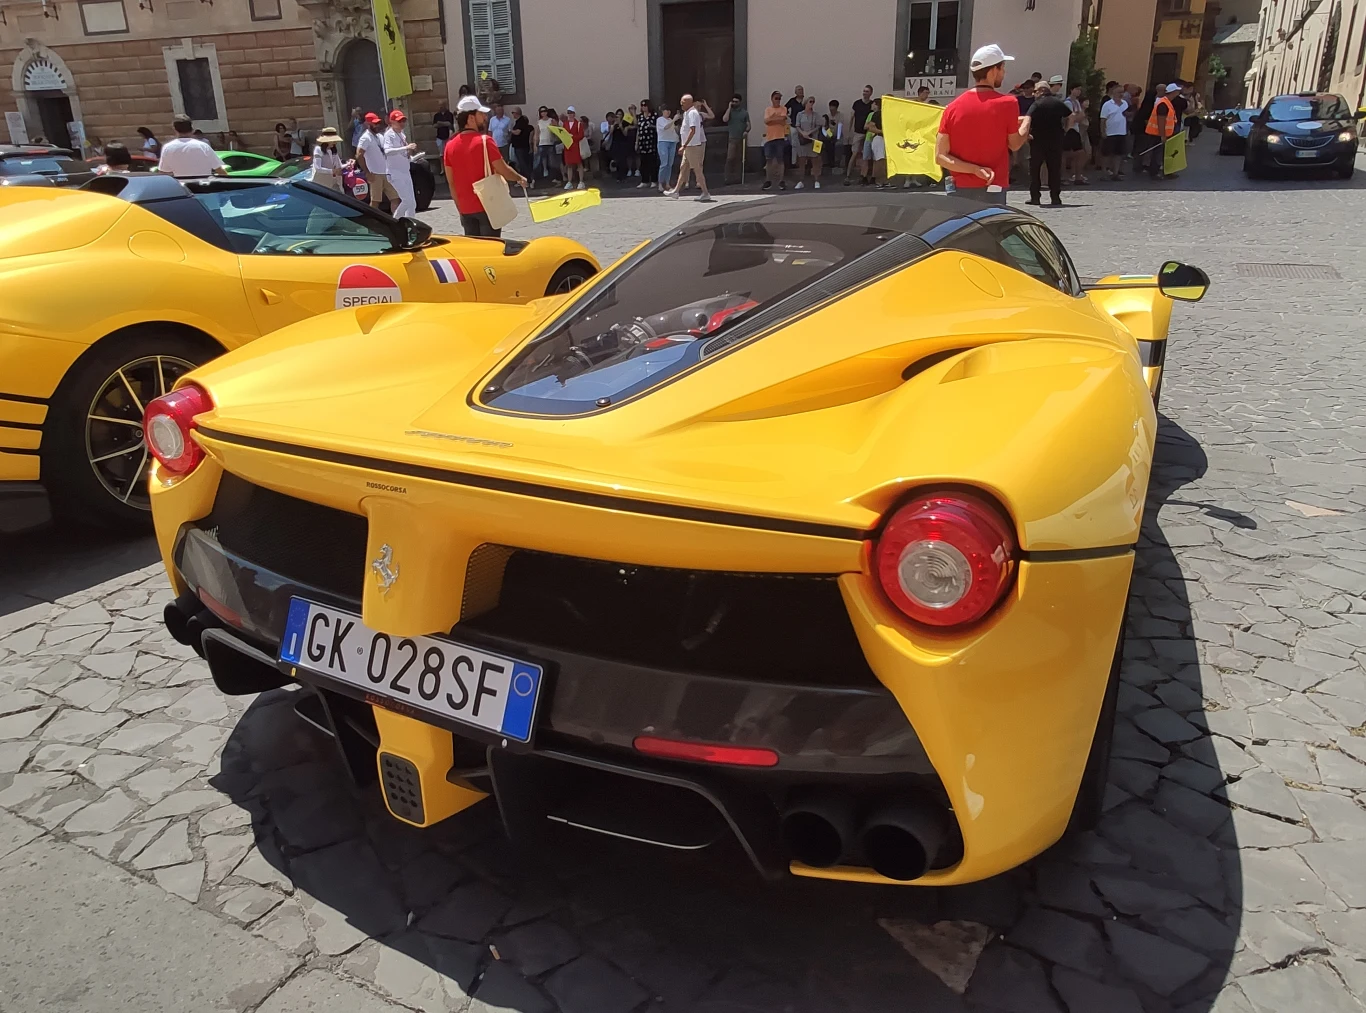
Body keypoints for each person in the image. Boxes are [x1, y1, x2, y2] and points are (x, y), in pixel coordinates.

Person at [936, 44, 1031, 195]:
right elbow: (1015, 145)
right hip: (992, 187)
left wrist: (974, 170)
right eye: (1002, 68)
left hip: (958, 190)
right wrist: (1026, 121)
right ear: (994, 70)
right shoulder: (1008, 103)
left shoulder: (952, 108)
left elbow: (940, 157)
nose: (1004, 72)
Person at [442, 94, 528, 237]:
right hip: (487, 205)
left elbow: (451, 182)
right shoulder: (485, 141)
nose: (485, 117)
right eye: (481, 114)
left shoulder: (449, 146)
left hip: (465, 209)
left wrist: (460, 208)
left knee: (476, 254)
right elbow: (503, 170)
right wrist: (519, 178)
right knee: (492, 251)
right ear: (470, 118)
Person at [1025, 81, 1070, 206]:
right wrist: (1066, 129)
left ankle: (1035, 197)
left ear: (1041, 91)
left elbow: (1028, 119)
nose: (1034, 94)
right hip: (1056, 140)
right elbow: (1071, 116)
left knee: (1035, 169)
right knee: (1054, 169)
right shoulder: (1058, 103)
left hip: (1038, 140)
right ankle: (1055, 197)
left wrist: (1026, 134)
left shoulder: (1037, 104)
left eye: (1035, 91)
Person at [665, 93, 713, 201]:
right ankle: (676, 191)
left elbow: (693, 130)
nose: (681, 104)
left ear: (689, 103)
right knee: (683, 168)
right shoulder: (687, 113)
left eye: (683, 102)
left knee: (697, 170)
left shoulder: (693, 113)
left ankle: (705, 193)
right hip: (688, 146)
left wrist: (684, 145)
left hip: (692, 146)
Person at [158, 116, 227, 178]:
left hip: (183, 189)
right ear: (192, 129)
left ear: (175, 129)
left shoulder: (167, 148)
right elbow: (220, 170)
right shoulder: (203, 146)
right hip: (204, 188)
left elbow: (163, 172)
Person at [381, 109, 420, 218]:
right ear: (392, 122)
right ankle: (395, 222)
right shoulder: (389, 135)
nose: (402, 123)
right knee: (406, 201)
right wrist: (406, 147)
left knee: (412, 203)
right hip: (395, 173)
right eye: (399, 121)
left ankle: (410, 226)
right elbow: (387, 151)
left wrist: (411, 155)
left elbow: (403, 154)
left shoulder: (402, 134)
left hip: (405, 171)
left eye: (403, 121)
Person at [356, 113, 396, 210]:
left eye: (378, 123)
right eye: (374, 123)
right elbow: (359, 155)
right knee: (375, 202)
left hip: (386, 172)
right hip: (375, 173)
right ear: (368, 124)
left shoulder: (380, 136)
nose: (377, 125)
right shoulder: (365, 138)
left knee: (396, 198)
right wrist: (367, 172)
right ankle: (372, 222)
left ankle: (396, 220)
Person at [1144, 83, 1181, 181]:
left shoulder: (1166, 102)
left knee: (1162, 153)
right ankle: (1154, 173)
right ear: (1173, 92)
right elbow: (1161, 120)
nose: (1178, 93)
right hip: (1157, 133)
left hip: (1162, 133)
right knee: (1157, 154)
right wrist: (1162, 135)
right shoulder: (1163, 103)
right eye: (1177, 91)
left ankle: (1161, 172)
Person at [845, 85, 874, 186]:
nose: (865, 93)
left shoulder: (872, 104)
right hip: (858, 132)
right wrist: (849, 132)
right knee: (854, 154)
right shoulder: (857, 103)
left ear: (871, 93)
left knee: (867, 156)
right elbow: (852, 117)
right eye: (864, 91)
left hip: (868, 133)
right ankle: (848, 176)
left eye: (867, 91)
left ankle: (866, 176)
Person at [794, 95, 822, 189]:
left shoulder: (815, 115)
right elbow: (797, 126)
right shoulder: (800, 114)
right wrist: (802, 133)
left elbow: (818, 126)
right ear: (805, 103)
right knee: (801, 161)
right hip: (802, 140)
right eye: (810, 102)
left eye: (813, 102)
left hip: (813, 140)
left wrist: (809, 132)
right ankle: (801, 181)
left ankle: (816, 180)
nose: (812, 104)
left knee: (815, 160)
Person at [722, 92, 750, 185]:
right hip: (732, 138)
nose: (734, 103)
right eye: (733, 101)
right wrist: (729, 107)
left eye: (736, 102)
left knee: (739, 158)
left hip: (741, 138)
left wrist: (746, 131)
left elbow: (748, 125)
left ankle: (738, 178)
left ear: (740, 102)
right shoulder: (730, 112)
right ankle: (727, 178)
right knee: (730, 158)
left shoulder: (744, 113)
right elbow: (725, 119)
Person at [762, 90, 788, 190]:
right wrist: (776, 118)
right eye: (776, 98)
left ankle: (781, 181)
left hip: (780, 137)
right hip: (770, 138)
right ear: (772, 99)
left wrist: (773, 118)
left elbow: (783, 120)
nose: (778, 100)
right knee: (769, 160)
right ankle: (768, 181)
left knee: (780, 160)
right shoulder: (768, 109)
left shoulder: (783, 108)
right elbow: (766, 121)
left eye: (779, 99)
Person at [1063, 84, 1088, 183]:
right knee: (1067, 154)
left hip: (1076, 130)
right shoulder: (1068, 103)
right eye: (1076, 89)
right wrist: (1080, 114)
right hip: (1070, 130)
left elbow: (1080, 117)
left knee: (1079, 154)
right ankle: (1065, 176)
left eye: (1080, 90)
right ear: (1071, 90)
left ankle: (1077, 175)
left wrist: (1079, 115)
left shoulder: (1076, 102)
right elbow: (1074, 118)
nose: (1078, 92)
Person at [310, 126, 347, 191]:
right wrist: (332, 171)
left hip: (332, 183)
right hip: (320, 183)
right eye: (333, 140)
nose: (335, 142)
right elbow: (318, 168)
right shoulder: (318, 150)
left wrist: (348, 164)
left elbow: (339, 166)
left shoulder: (333, 151)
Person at [861, 97, 886, 187]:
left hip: (881, 139)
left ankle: (875, 178)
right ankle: (867, 177)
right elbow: (868, 126)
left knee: (878, 159)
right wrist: (882, 131)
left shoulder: (887, 114)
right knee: (872, 158)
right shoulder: (874, 114)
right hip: (872, 138)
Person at [562, 104, 588, 190]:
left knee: (579, 164)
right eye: (568, 112)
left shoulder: (578, 124)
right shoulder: (565, 124)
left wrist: (572, 136)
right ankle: (569, 182)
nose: (570, 114)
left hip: (576, 146)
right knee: (569, 165)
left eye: (571, 112)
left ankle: (581, 181)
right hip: (568, 147)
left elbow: (581, 135)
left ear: (574, 114)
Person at [634, 100, 658, 189]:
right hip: (642, 142)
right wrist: (636, 142)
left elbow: (658, 127)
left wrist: (652, 126)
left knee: (652, 162)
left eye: (645, 105)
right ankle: (644, 180)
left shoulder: (654, 116)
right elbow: (638, 129)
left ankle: (654, 180)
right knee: (643, 162)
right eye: (642, 105)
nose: (643, 107)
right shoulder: (640, 116)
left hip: (651, 141)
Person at [508, 105, 534, 183]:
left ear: (517, 113)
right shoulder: (521, 122)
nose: (512, 115)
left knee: (522, 163)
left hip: (521, 146)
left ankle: (528, 179)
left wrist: (510, 130)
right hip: (521, 146)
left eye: (513, 113)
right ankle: (528, 179)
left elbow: (518, 132)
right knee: (524, 163)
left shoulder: (520, 122)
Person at [656, 104, 679, 189]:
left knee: (670, 164)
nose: (668, 112)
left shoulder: (670, 120)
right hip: (663, 142)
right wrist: (674, 120)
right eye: (666, 110)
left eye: (669, 111)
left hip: (672, 142)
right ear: (662, 111)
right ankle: (660, 183)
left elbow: (673, 130)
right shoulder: (660, 120)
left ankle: (667, 183)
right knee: (664, 163)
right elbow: (665, 127)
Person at [826, 100, 844, 172]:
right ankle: (830, 162)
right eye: (830, 109)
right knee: (828, 144)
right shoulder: (827, 116)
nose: (831, 111)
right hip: (829, 135)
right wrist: (830, 135)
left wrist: (837, 137)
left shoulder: (840, 115)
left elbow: (840, 127)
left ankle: (837, 162)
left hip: (838, 135)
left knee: (838, 145)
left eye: (833, 109)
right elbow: (826, 127)